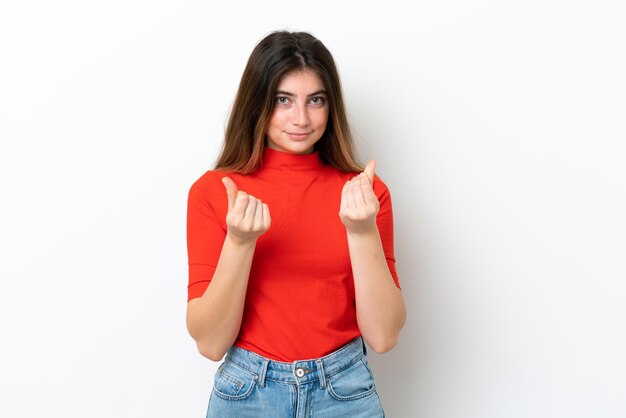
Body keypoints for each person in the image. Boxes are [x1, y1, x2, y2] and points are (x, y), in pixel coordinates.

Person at [186, 30, 406, 417]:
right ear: (257, 104)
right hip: (249, 394)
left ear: (331, 105)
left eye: (315, 100)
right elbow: (210, 343)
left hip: (344, 391)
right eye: (282, 100)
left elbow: (384, 336)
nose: (301, 118)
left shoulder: (365, 194)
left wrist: (361, 231)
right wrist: (240, 242)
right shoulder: (215, 191)